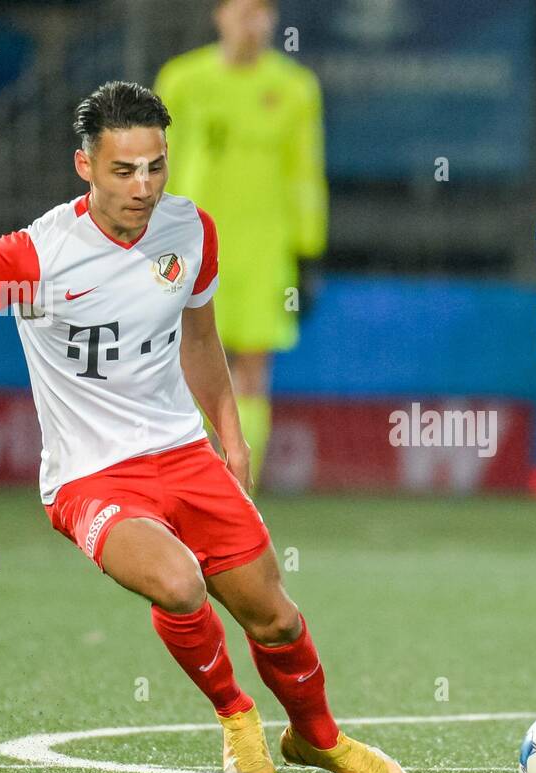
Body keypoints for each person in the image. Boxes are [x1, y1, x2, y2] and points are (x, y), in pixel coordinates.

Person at [0, 80, 406, 773]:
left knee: (273, 615)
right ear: (85, 167)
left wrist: (229, 432)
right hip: (92, 477)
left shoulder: (190, 231)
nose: (143, 186)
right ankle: (237, 721)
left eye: (156, 166)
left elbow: (199, 337)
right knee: (179, 584)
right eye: (124, 170)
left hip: (184, 454)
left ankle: (318, 737)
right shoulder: (37, 258)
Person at [155, 0, 328, 485]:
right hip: (193, 242)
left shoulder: (295, 88)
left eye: (264, 13)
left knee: (252, 362)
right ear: (220, 15)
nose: (256, 23)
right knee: (190, 357)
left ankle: (239, 486)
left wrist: (308, 250)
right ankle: (190, 478)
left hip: (266, 246)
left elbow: (305, 172)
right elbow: (161, 161)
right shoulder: (182, 81)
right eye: (245, 11)